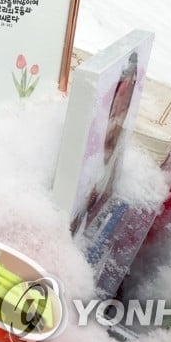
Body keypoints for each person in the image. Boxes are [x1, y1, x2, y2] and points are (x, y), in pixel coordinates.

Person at [70, 52, 138, 237]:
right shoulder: (81, 168)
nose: (117, 119)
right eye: (114, 109)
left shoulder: (108, 173)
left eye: (122, 109)